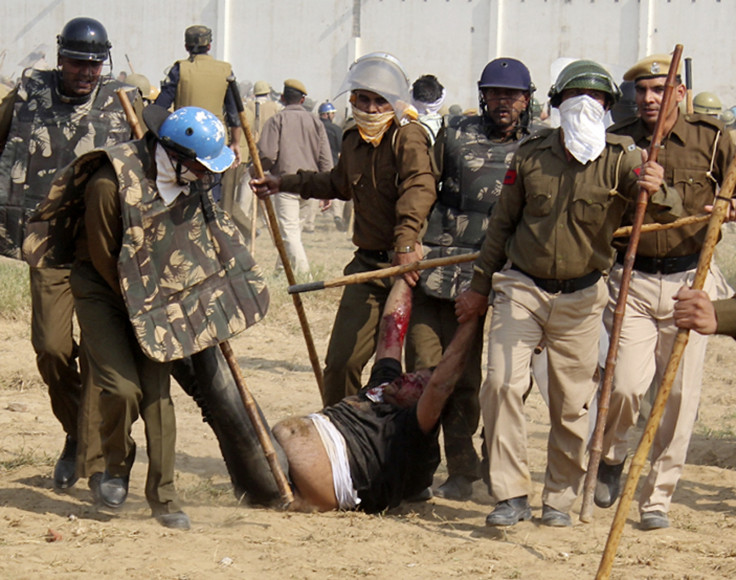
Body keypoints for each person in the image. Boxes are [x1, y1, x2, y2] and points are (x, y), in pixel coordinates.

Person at [454, 59, 680, 528]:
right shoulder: (531, 154)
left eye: (594, 99)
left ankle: (558, 496)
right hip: (522, 288)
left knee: (572, 404)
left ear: (607, 107)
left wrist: (658, 190)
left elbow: (664, 215)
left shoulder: (625, 159)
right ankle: (510, 494)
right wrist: (480, 287)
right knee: (500, 385)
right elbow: (501, 226)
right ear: (555, 105)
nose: (583, 106)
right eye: (573, 98)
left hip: (583, 296)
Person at [24, 104, 268, 529]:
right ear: (172, 153)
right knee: (121, 389)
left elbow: (199, 241)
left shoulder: (192, 183)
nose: (207, 175)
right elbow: (102, 257)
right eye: (200, 165)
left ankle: (165, 497)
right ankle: (115, 467)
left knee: (157, 397)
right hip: (104, 291)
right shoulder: (108, 184)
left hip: (159, 294)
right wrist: (145, 307)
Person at [180, 277, 480, 512]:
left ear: (424, 405)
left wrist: (473, 317)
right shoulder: (383, 387)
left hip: (283, 486)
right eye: (413, 372)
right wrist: (405, 276)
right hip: (275, 459)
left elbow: (443, 381)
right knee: (208, 392)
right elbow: (392, 329)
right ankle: (163, 346)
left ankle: (187, 318)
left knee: (223, 392)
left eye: (418, 382)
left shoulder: (413, 430)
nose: (409, 376)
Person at [595, 54, 736, 531]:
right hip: (630, 278)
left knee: (677, 396)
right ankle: (612, 454)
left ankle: (657, 497)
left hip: (689, 281)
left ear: (679, 91)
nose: (649, 99)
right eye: (642, 91)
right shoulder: (619, 139)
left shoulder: (713, 137)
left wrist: (730, 205)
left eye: (659, 90)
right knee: (625, 386)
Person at [0, 16, 140, 493]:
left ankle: (99, 462)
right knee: (53, 348)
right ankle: (76, 433)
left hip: (105, 249)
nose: (86, 71)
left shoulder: (125, 104)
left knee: (103, 357)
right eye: (78, 61)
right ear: (60, 57)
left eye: (95, 63)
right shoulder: (28, 98)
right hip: (49, 246)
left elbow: (154, 166)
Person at [251, 52, 437, 406]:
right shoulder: (352, 139)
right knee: (340, 364)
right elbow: (337, 183)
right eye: (363, 99)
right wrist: (282, 183)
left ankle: (402, 451)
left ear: (395, 102)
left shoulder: (407, 137)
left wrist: (406, 239)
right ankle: (341, 437)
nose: (370, 107)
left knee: (415, 375)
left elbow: (419, 187)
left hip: (411, 269)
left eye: (379, 100)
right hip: (367, 268)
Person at [405, 58, 534, 501]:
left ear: (526, 99)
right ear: (484, 96)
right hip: (439, 270)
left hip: (501, 279)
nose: (503, 102)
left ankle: (473, 467)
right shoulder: (457, 132)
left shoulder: (539, 145)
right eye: (495, 93)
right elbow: (425, 186)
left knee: (484, 381)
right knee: (425, 370)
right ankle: (424, 469)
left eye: (512, 95)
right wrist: (409, 243)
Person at [256, 79, 333, 275]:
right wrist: (327, 188)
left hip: (284, 184)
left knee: (290, 234)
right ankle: (281, 273)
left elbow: (267, 155)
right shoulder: (316, 121)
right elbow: (325, 158)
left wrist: (255, 172)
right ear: (303, 100)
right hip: (311, 184)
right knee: (293, 234)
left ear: (282, 98)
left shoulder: (276, 121)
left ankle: (304, 277)